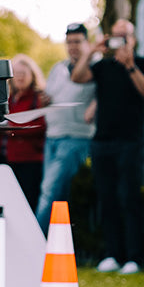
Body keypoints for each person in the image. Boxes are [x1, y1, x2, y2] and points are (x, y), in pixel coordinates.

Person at [71, 18, 144, 275]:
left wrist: (130, 66)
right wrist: (92, 51)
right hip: (102, 142)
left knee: (129, 198)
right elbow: (77, 77)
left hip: (131, 141)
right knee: (107, 199)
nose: (120, 40)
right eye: (115, 36)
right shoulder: (103, 66)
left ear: (133, 39)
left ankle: (134, 257)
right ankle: (112, 254)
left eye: (125, 36)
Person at [34, 23, 97, 230]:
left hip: (76, 137)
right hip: (52, 136)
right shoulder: (58, 68)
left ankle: (34, 240)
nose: (73, 47)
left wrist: (96, 106)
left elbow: (105, 93)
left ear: (87, 43)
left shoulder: (95, 67)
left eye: (78, 41)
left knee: (49, 189)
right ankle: (55, 245)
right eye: (70, 42)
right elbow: (51, 96)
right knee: (57, 195)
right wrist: (45, 100)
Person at [0, 53, 47, 212]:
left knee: (26, 204)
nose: (20, 78)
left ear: (32, 75)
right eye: (16, 74)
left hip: (28, 160)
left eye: (23, 74)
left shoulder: (38, 98)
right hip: (4, 158)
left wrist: (10, 129)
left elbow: (39, 126)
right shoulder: (8, 99)